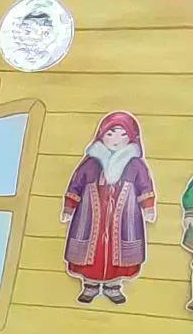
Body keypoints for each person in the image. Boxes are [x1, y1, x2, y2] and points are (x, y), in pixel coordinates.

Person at [62, 110, 157, 305]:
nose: (115, 139)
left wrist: (148, 207)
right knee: (90, 249)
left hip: (124, 217)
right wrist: (69, 207)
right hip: (90, 215)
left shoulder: (135, 164)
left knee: (120, 250)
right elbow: (76, 183)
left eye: (123, 135)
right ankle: (90, 285)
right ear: (101, 134)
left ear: (131, 138)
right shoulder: (91, 162)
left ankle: (113, 285)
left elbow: (145, 185)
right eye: (111, 133)